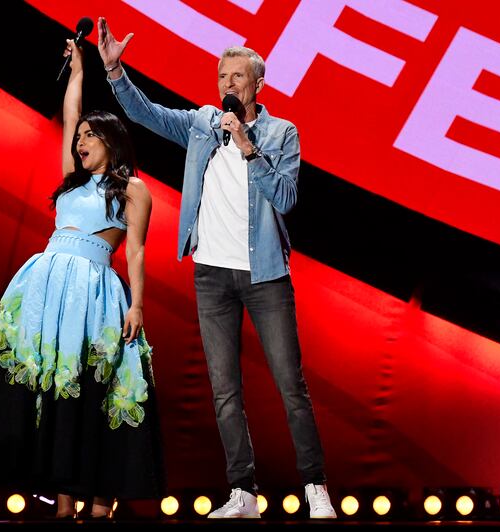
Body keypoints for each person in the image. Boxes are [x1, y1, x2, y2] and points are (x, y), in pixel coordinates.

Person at [97, 17, 336, 519]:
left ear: (258, 84)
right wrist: (116, 73)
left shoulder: (280, 132)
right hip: (211, 274)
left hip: (265, 275)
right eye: (222, 77)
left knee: (290, 385)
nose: (227, 86)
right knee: (225, 389)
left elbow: (288, 198)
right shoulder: (205, 123)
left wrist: (249, 149)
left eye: (237, 78)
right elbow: (150, 116)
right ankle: (242, 493)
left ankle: (315, 487)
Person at [0, 39, 163, 519]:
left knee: (95, 388)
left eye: (90, 135)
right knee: (50, 390)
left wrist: (136, 305)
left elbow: (135, 250)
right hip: (48, 289)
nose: (80, 141)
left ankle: (97, 499)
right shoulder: (72, 180)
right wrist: (76, 72)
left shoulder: (134, 191)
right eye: (79, 138)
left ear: (110, 140)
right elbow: (68, 118)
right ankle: (62, 500)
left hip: (94, 292)